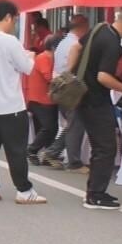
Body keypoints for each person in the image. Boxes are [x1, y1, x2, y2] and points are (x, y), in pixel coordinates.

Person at [0, 0, 44, 205]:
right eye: (15, 20)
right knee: (16, 150)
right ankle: (24, 190)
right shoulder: (10, 42)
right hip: (11, 106)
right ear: (7, 17)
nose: (14, 24)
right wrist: (31, 56)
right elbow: (27, 68)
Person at [79, 7, 122, 211]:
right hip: (95, 100)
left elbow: (76, 48)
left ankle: (95, 191)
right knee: (106, 147)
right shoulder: (112, 42)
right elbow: (103, 77)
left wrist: (74, 74)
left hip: (83, 95)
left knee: (101, 146)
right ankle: (95, 195)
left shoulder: (99, 29)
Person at [42, 15, 92, 170]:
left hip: (60, 87)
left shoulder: (63, 43)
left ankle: (52, 152)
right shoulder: (75, 44)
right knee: (76, 124)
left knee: (73, 124)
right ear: (83, 26)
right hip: (70, 89)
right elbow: (72, 69)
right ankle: (74, 162)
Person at [26, 35, 60, 165]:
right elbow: (49, 77)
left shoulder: (47, 58)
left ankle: (47, 154)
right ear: (54, 47)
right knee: (49, 127)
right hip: (40, 99)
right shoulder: (44, 58)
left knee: (51, 128)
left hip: (45, 99)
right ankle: (32, 149)